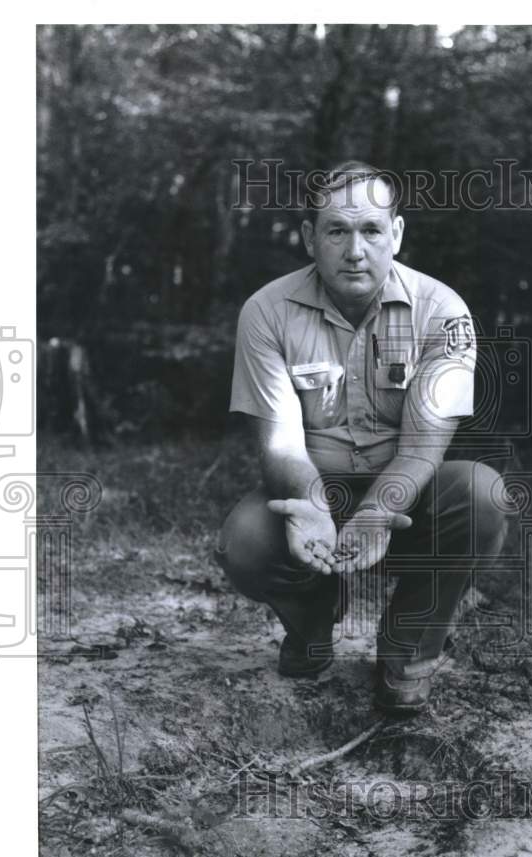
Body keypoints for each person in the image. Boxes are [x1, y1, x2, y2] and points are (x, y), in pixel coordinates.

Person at [216, 161, 507, 712]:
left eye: (372, 230)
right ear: (309, 238)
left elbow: (423, 447)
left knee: (481, 495)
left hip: (407, 495)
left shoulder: (442, 312)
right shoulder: (266, 311)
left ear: (396, 233)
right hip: (315, 489)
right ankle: (312, 624)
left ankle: (409, 649)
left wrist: (377, 512)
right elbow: (280, 444)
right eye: (336, 230)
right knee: (246, 541)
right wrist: (314, 506)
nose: (355, 250)